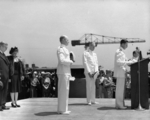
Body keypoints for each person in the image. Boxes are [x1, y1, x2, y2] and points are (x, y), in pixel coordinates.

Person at [56, 35, 74, 114]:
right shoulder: (61, 49)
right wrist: (71, 61)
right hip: (63, 72)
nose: (68, 41)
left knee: (65, 91)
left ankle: (64, 109)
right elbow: (62, 60)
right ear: (63, 40)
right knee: (63, 91)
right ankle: (62, 110)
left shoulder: (65, 49)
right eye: (67, 39)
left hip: (66, 72)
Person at [114, 39, 133, 109]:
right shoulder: (119, 51)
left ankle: (119, 104)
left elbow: (125, 60)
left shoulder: (121, 51)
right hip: (120, 73)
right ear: (122, 44)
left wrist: (131, 61)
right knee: (120, 90)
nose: (127, 46)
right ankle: (119, 105)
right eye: (126, 44)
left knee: (120, 89)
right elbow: (118, 62)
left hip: (121, 72)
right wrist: (129, 62)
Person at [0, 42, 10, 111]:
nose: (6, 48)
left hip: (6, 76)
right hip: (1, 76)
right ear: (0, 46)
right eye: (5, 47)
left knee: (5, 91)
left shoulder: (4, 55)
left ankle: (3, 104)